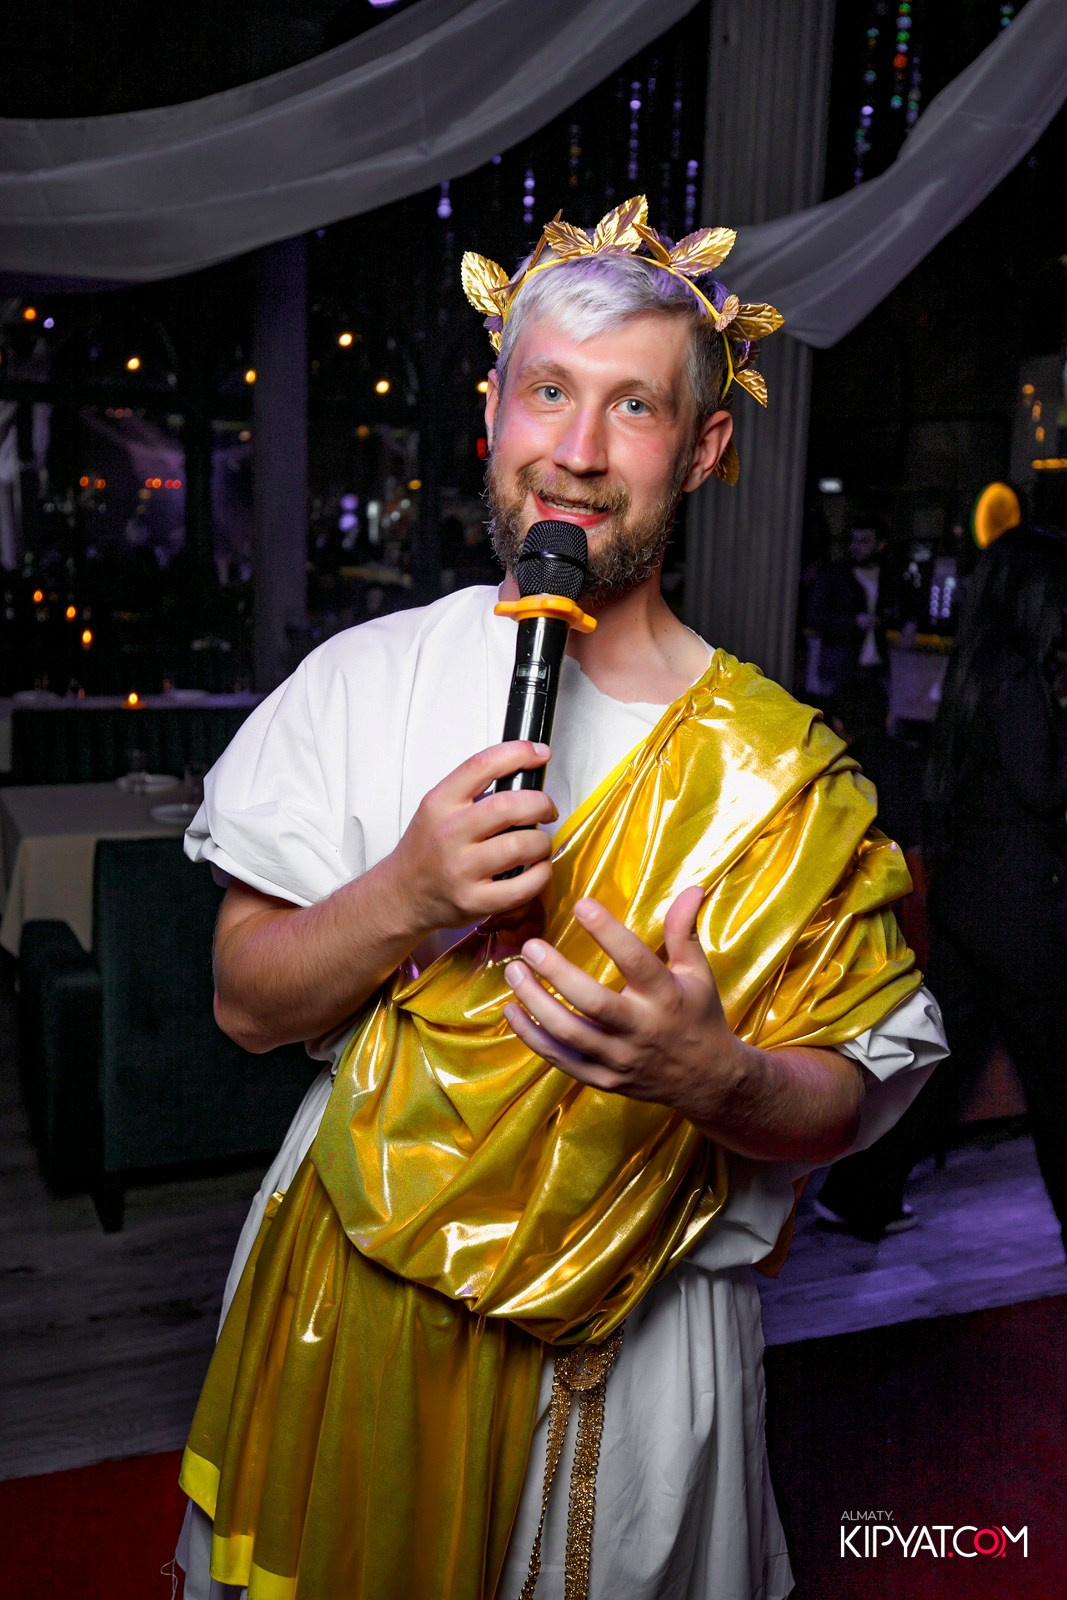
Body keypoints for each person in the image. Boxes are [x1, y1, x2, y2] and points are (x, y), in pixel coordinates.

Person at [175, 196, 946, 1600]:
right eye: (547, 392)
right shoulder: (362, 681)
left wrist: (710, 1074)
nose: (577, 452)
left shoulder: (781, 772)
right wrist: (405, 894)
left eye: (633, 407)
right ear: (492, 412)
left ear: (701, 447)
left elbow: (845, 1100)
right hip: (348, 1293)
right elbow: (241, 1003)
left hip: (634, 1360)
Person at [816, 520, 1067, 1251]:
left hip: (972, 895)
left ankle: (858, 1194)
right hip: (1012, 908)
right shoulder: (1014, 673)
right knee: (1057, 1084)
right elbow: (1044, 786)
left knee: (937, 1065)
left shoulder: (981, 662)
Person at [806, 519, 898, 695]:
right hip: (840, 670)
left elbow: (897, 611)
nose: (856, 546)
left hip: (875, 671)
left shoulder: (888, 576)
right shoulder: (834, 575)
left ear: (881, 545)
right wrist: (854, 622)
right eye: (854, 540)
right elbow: (815, 618)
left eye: (864, 541)